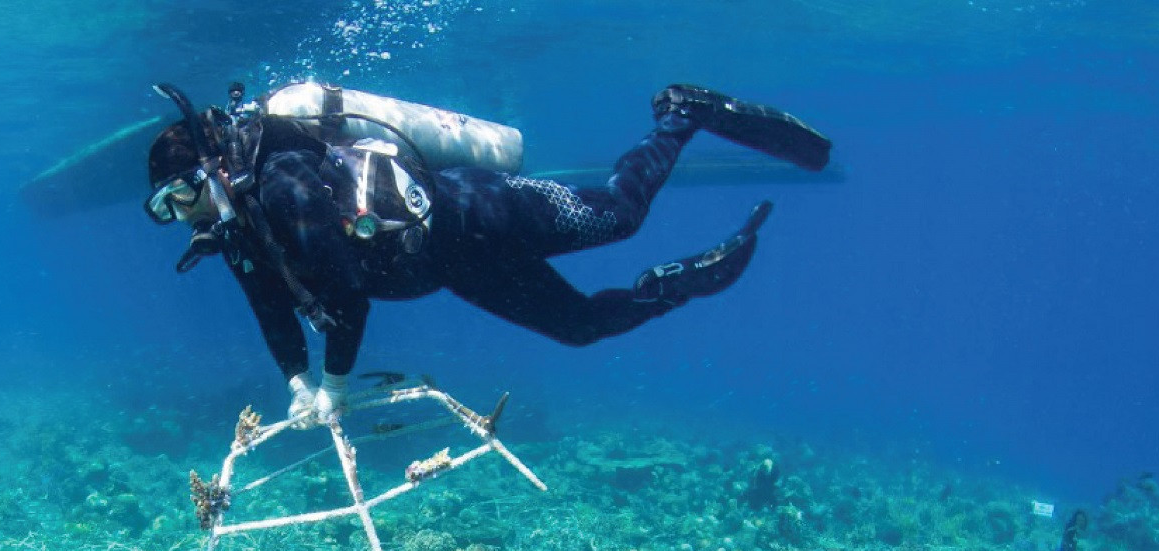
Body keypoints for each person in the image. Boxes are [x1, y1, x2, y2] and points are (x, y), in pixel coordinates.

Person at [143, 82, 831, 425]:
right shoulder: (240, 227)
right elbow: (269, 304)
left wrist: (339, 386)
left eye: (176, 198)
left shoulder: (281, 180)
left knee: (618, 217)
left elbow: (346, 289)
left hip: (473, 209)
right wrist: (299, 382)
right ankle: (673, 285)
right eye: (163, 211)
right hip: (454, 264)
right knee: (579, 326)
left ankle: (680, 114)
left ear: (204, 174)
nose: (178, 217)